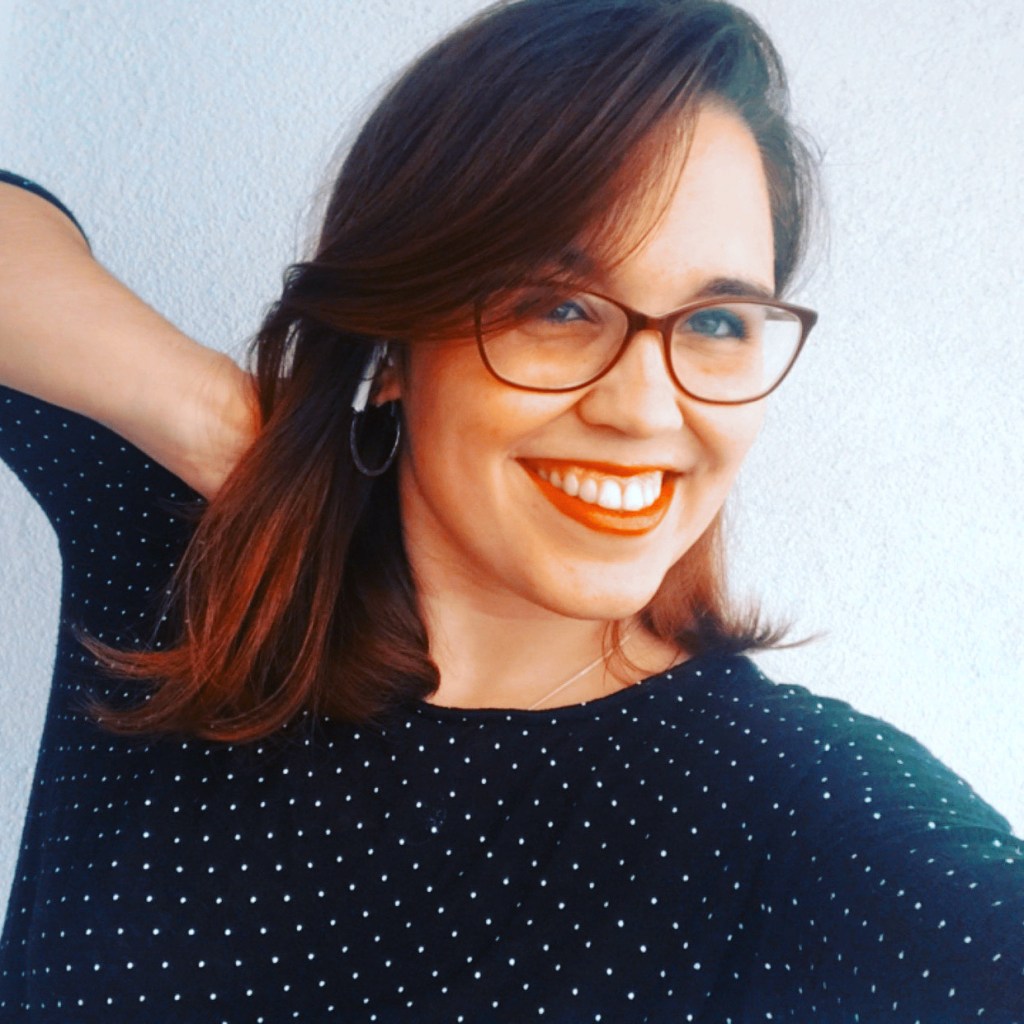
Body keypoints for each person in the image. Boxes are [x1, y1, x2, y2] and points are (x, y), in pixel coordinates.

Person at [0, 0, 1021, 1020]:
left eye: (716, 321)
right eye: (558, 306)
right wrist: (230, 430)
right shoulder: (200, 561)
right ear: (394, 338)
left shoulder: (803, 812)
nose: (644, 409)